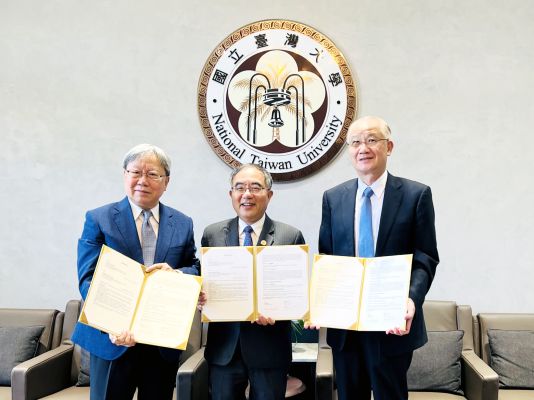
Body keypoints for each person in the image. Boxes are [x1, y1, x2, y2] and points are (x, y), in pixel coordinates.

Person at [308, 116, 439, 400]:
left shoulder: (416, 195)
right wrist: (319, 303)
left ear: (388, 147)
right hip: (346, 326)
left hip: (390, 321)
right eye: (355, 142)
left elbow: (425, 257)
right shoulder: (333, 198)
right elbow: (327, 258)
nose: (363, 148)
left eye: (371, 140)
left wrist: (412, 299)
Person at [71, 144, 201, 400]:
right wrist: (111, 324)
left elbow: (194, 267)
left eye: (152, 174)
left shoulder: (183, 223)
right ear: (125, 175)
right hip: (112, 340)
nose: (143, 180)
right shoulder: (99, 218)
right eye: (136, 172)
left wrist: (177, 274)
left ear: (166, 182)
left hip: (161, 340)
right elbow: (88, 278)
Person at [200, 163, 305, 400]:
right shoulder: (212, 234)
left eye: (255, 188)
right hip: (224, 349)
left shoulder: (290, 236)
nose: (247, 194)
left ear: (269, 195)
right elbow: (203, 280)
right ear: (231, 194)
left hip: (270, 349)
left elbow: (295, 290)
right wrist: (199, 296)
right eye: (240, 188)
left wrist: (281, 310)